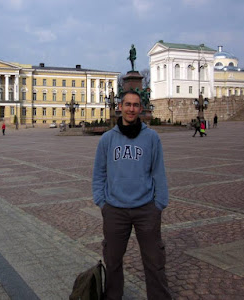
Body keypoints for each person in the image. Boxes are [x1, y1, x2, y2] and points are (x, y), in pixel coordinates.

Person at [92, 91, 171, 300]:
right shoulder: (108, 139)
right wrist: (102, 202)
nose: (131, 109)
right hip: (115, 210)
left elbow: (158, 172)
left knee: (154, 261)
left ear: (141, 108)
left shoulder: (151, 137)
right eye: (127, 104)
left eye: (136, 105)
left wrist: (159, 204)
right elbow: (99, 172)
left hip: (146, 209)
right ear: (120, 106)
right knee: (113, 261)